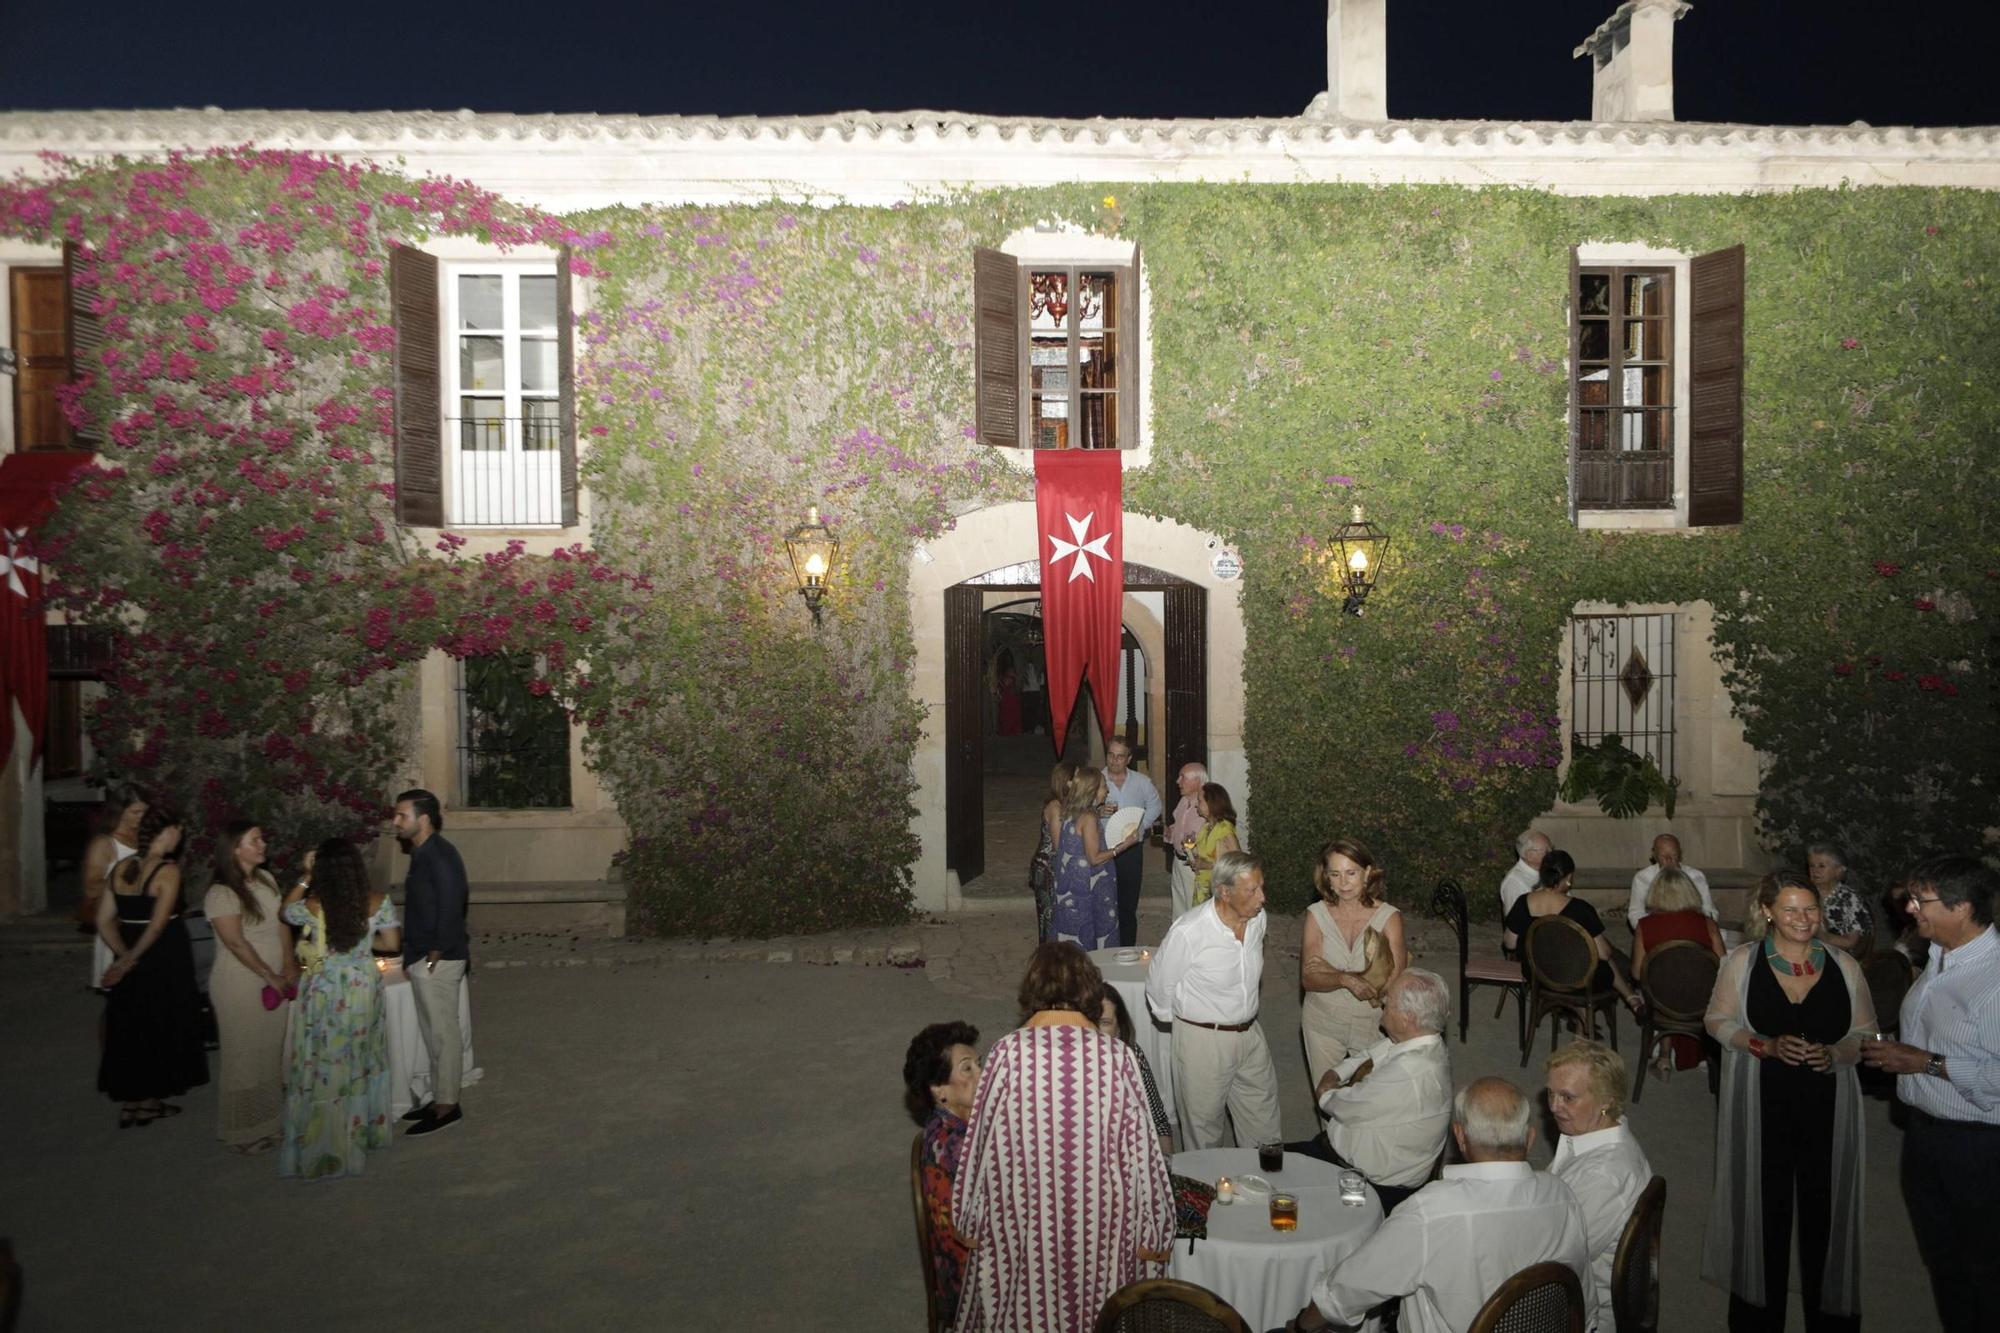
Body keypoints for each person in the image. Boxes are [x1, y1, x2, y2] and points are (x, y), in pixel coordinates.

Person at [953, 942, 1174, 1333]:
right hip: (1102, 1223)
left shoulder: (1006, 1053)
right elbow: (1143, 1151)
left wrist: (969, 1219)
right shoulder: (1117, 1056)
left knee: (1028, 1307)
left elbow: (979, 1144)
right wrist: (1156, 1226)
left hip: (1023, 1221)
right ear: (1089, 989)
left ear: (1034, 989)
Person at [1703, 874, 1874, 1331]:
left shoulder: (1845, 966)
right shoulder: (1742, 962)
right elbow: (1716, 1021)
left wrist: (1837, 1053)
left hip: (1828, 1104)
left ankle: (1830, 1319)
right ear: (1768, 912)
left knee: (1826, 1214)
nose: (1803, 919)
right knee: (1765, 1214)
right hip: (1762, 1104)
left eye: (1811, 910)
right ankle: (1759, 1320)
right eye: (1792, 910)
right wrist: (1764, 1046)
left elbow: (1866, 1036)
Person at [1285, 1077, 1588, 1333]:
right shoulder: (1565, 1197)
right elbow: (1580, 1299)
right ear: (1531, 1138)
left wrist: (1299, 1326)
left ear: (1460, 1137)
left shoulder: (1432, 1212)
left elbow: (1344, 1293)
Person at [1862, 855, 2000, 1333]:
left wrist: (1924, 1063)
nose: (1911, 909)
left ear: (1962, 908)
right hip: (1925, 1136)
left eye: (1922, 900)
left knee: (1985, 1268)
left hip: (1978, 1145)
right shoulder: (1940, 955)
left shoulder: (1994, 979)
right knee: (1944, 1262)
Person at [279, 839, 401, 1180]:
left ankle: (325, 1143)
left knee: (326, 1063)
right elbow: (391, 945)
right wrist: (362, 943)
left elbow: (284, 912)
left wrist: (305, 876)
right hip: (362, 986)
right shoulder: (378, 902)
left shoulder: (312, 905)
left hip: (323, 989)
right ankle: (363, 1132)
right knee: (360, 1058)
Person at [1146, 851, 1282, 1150]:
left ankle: (1261, 1189)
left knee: (1265, 1128)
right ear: (1224, 891)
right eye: (1252, 890)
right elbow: (1158, 988)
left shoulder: (1258, 921)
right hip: (1203, 1042)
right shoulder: (1190, 931)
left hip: (1250, 1035)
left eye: (1262, 887)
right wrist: (1192, 1026)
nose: (1262, 898)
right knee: (1204, 1133)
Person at [95, 808, 208, 1128]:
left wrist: (122, 956)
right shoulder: (167, 871)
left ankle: (132, 1101)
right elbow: (158, 925)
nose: (180, 838)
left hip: (131, 946)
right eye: (178, 832)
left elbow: (104, 919)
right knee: (158, 1022)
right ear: (167, 831)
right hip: (162, 955)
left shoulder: (120, 868)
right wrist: (132, 959)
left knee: (131, 1023)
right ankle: (148, 1101)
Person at [1310, 969, 1452, 1214]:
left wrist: (1325, 1091)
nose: (1382, 1003)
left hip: (1366, 1187)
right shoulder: (1423, 1043)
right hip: (1350, 1165)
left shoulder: (1408, 1073)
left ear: (1408, 1018)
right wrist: (1337, 1074)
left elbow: (1343, 1107)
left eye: (1389, 1003)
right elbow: (1370, 1053)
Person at [1546, 1040, 1653, 1333]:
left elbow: (1555, 1259)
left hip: (1580, 1311)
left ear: (1606, 1100)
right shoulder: (1594, 1130)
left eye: (1567, 1097)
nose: (1555, 1107)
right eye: (1551, 1094)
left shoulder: (1605, 1176)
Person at [204, 820, 292, 1154]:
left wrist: (288, 964)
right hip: (240, 981)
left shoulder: (266, 880)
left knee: (269, 1052)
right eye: (254, 840)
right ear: (234, 849)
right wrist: (269, 975)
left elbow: (282, 924)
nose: (263, 844)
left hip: (275, 976)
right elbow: (236, 943)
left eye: (261, 838)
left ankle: (269, 1122)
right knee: (244, 1056)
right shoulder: (221, 893)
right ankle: (243, 1131)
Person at [1300, 838, 1407, 1089]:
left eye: (1351, 873)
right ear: (1326, 877)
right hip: (1322, 1023)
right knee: (1327, 1100)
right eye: (1335, 874)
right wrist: (1345, 978)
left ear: (1367, 872)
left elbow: (1393, 983)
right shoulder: (1316, 915)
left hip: (1373, 1025)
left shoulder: (1389, 918)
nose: (1343, 882)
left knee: (1372, 1102)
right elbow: (1309, 979)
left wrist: (1328, 970)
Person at [394, 788, 471, 1135]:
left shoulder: (441, 855)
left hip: (438, 957)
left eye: (402, 815)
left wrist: (434, 953)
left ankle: (447, 1105)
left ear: (423, 819)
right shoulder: (423, 853)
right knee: (432, 1031)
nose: (396, 822)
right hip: (424, 955)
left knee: (443, 1033)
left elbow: (453, 904)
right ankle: (439, 1096)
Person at [903, 1020, 981, 1328]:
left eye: (979, 1063)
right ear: (940, 1090)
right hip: (971, 1281)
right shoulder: (953, 1147)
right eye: (967, 1069)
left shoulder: (951, 1127)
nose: (982, 1074)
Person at [1503, 849, 1646, 1018]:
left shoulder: (1523, 902)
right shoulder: (1580, 909)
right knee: (1605, 958)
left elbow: (1509, 943)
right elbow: (1605, 954)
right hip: (1575, 978)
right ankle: (1587, 1026)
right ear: (1569, 877)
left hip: (1538, 975)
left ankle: (1625, 1001)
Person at [1632, 867, 1725, 1077]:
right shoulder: (1706, 923)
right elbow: (1723, 966)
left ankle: (1664, 1056)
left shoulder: (1645, 925)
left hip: (1662, 1004)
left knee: (1666, 986)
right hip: (1700, 1003)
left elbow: (1637, 973)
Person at [1050, 766, 1138, 952]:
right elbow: (1094, 858)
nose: (1107, 790)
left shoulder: (1070, 810)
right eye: (1104, 786)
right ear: (1093, 790)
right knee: (1092, 936)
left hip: (1071, 887)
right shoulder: (1088, 817)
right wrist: (1124, 845)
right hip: (1088, 888)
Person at [78, 784, 146, 988]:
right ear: (120, 810)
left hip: (142, 918)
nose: (141, 817)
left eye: (145, 812)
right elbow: (91, 887)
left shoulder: (144, 837)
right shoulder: (104, 844)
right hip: (116, 920)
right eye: (135, 812)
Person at [1100, 737, 1162, 948]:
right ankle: (1104, 948)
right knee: (1103, 902)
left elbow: (1155, 806)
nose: (1114, 760)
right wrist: (1098, 811)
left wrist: (1139, 826)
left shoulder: (1141, 782)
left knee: (1127, 904)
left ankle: (1126, 949)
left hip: (1131, 851)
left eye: (1120, 756)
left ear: (1129, 759)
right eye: (1110, 755)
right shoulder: (1096, 780)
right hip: (1102, 848)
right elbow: (1079, 811)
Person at [1098, 984, 1173, 1159]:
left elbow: (1158, 1119)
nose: (1096, 1032)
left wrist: (1169, 1166)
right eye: (1090, 1021)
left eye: (1105, 1023)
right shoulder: (1068, 1067)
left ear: (1119, 1027)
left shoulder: (1133, 1055)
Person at [1028, 761, 1075, 943]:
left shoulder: (1063, 804)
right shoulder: (1055, 807)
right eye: (1076, 778)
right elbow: (1058, 844)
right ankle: (1048, 963)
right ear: (1066, 781)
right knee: (1049, 920)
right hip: (1047, 868)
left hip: (1051, 866)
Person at [1628, 833, 1717, 922]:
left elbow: (1709, 911)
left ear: (1680, 854)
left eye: (1674, 855)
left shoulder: (1696, 876)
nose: (1669, 860)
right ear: (1654, 856)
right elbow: (1636, 914)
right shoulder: (1643, 878)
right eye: (1663, 856)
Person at [1807, 843, 1872, 954]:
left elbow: (1851, 942)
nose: (1815, 871)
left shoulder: (1849, 898)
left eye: (1821, 866)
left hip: (1837, 957)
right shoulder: (1803, 893)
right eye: (1812, 866)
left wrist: (1820, 935)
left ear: (1839, 870)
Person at [1187, 782, 1241, 908]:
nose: (1196, 804)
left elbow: (1237, 862)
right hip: (1203, 887)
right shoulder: (1206, 827)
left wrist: (1207, 864)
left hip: (1218, 889)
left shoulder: (1224, 829)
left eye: (1200, 801)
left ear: (1211, 803)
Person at [1163, 762, 1206, 921]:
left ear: (1198, 781)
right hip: (1178, 861)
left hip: (1194, 865)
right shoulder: (1183, 801)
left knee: (1194, 909)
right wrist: (1169, 833)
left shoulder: (1206, 806)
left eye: (1183, 777)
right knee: (1179, 908)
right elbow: (1178, 827)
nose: (1178, 781)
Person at [1500, 827, 1550, 919]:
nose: (1551, 854)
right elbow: (1516, 920)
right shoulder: (1514, 882)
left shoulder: (1547, 871)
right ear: (1529, 855)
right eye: (1546, 851)